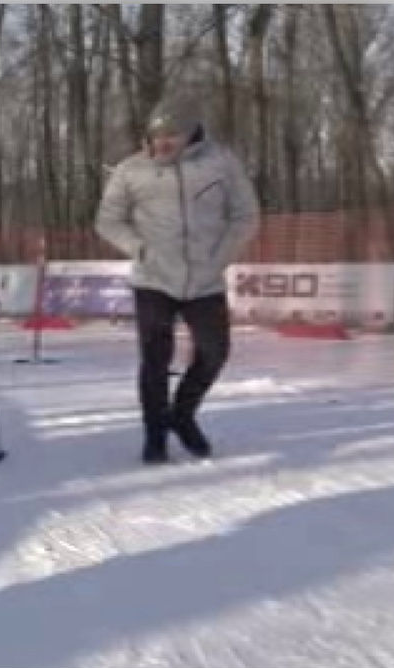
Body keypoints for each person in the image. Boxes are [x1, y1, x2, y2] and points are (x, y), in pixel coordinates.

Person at [94, 95, 260, 465]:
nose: (162, 144)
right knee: (155, 360)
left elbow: (245, 215)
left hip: (205, 279)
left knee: (215, 352)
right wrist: (138, 248)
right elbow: (108, 220)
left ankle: (182, 415)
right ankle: (155, 435)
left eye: (171, 136)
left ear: (190, 134)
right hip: (153, 279)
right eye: (156, 137)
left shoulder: (221, 163)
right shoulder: (131, 170)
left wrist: (220, 258)